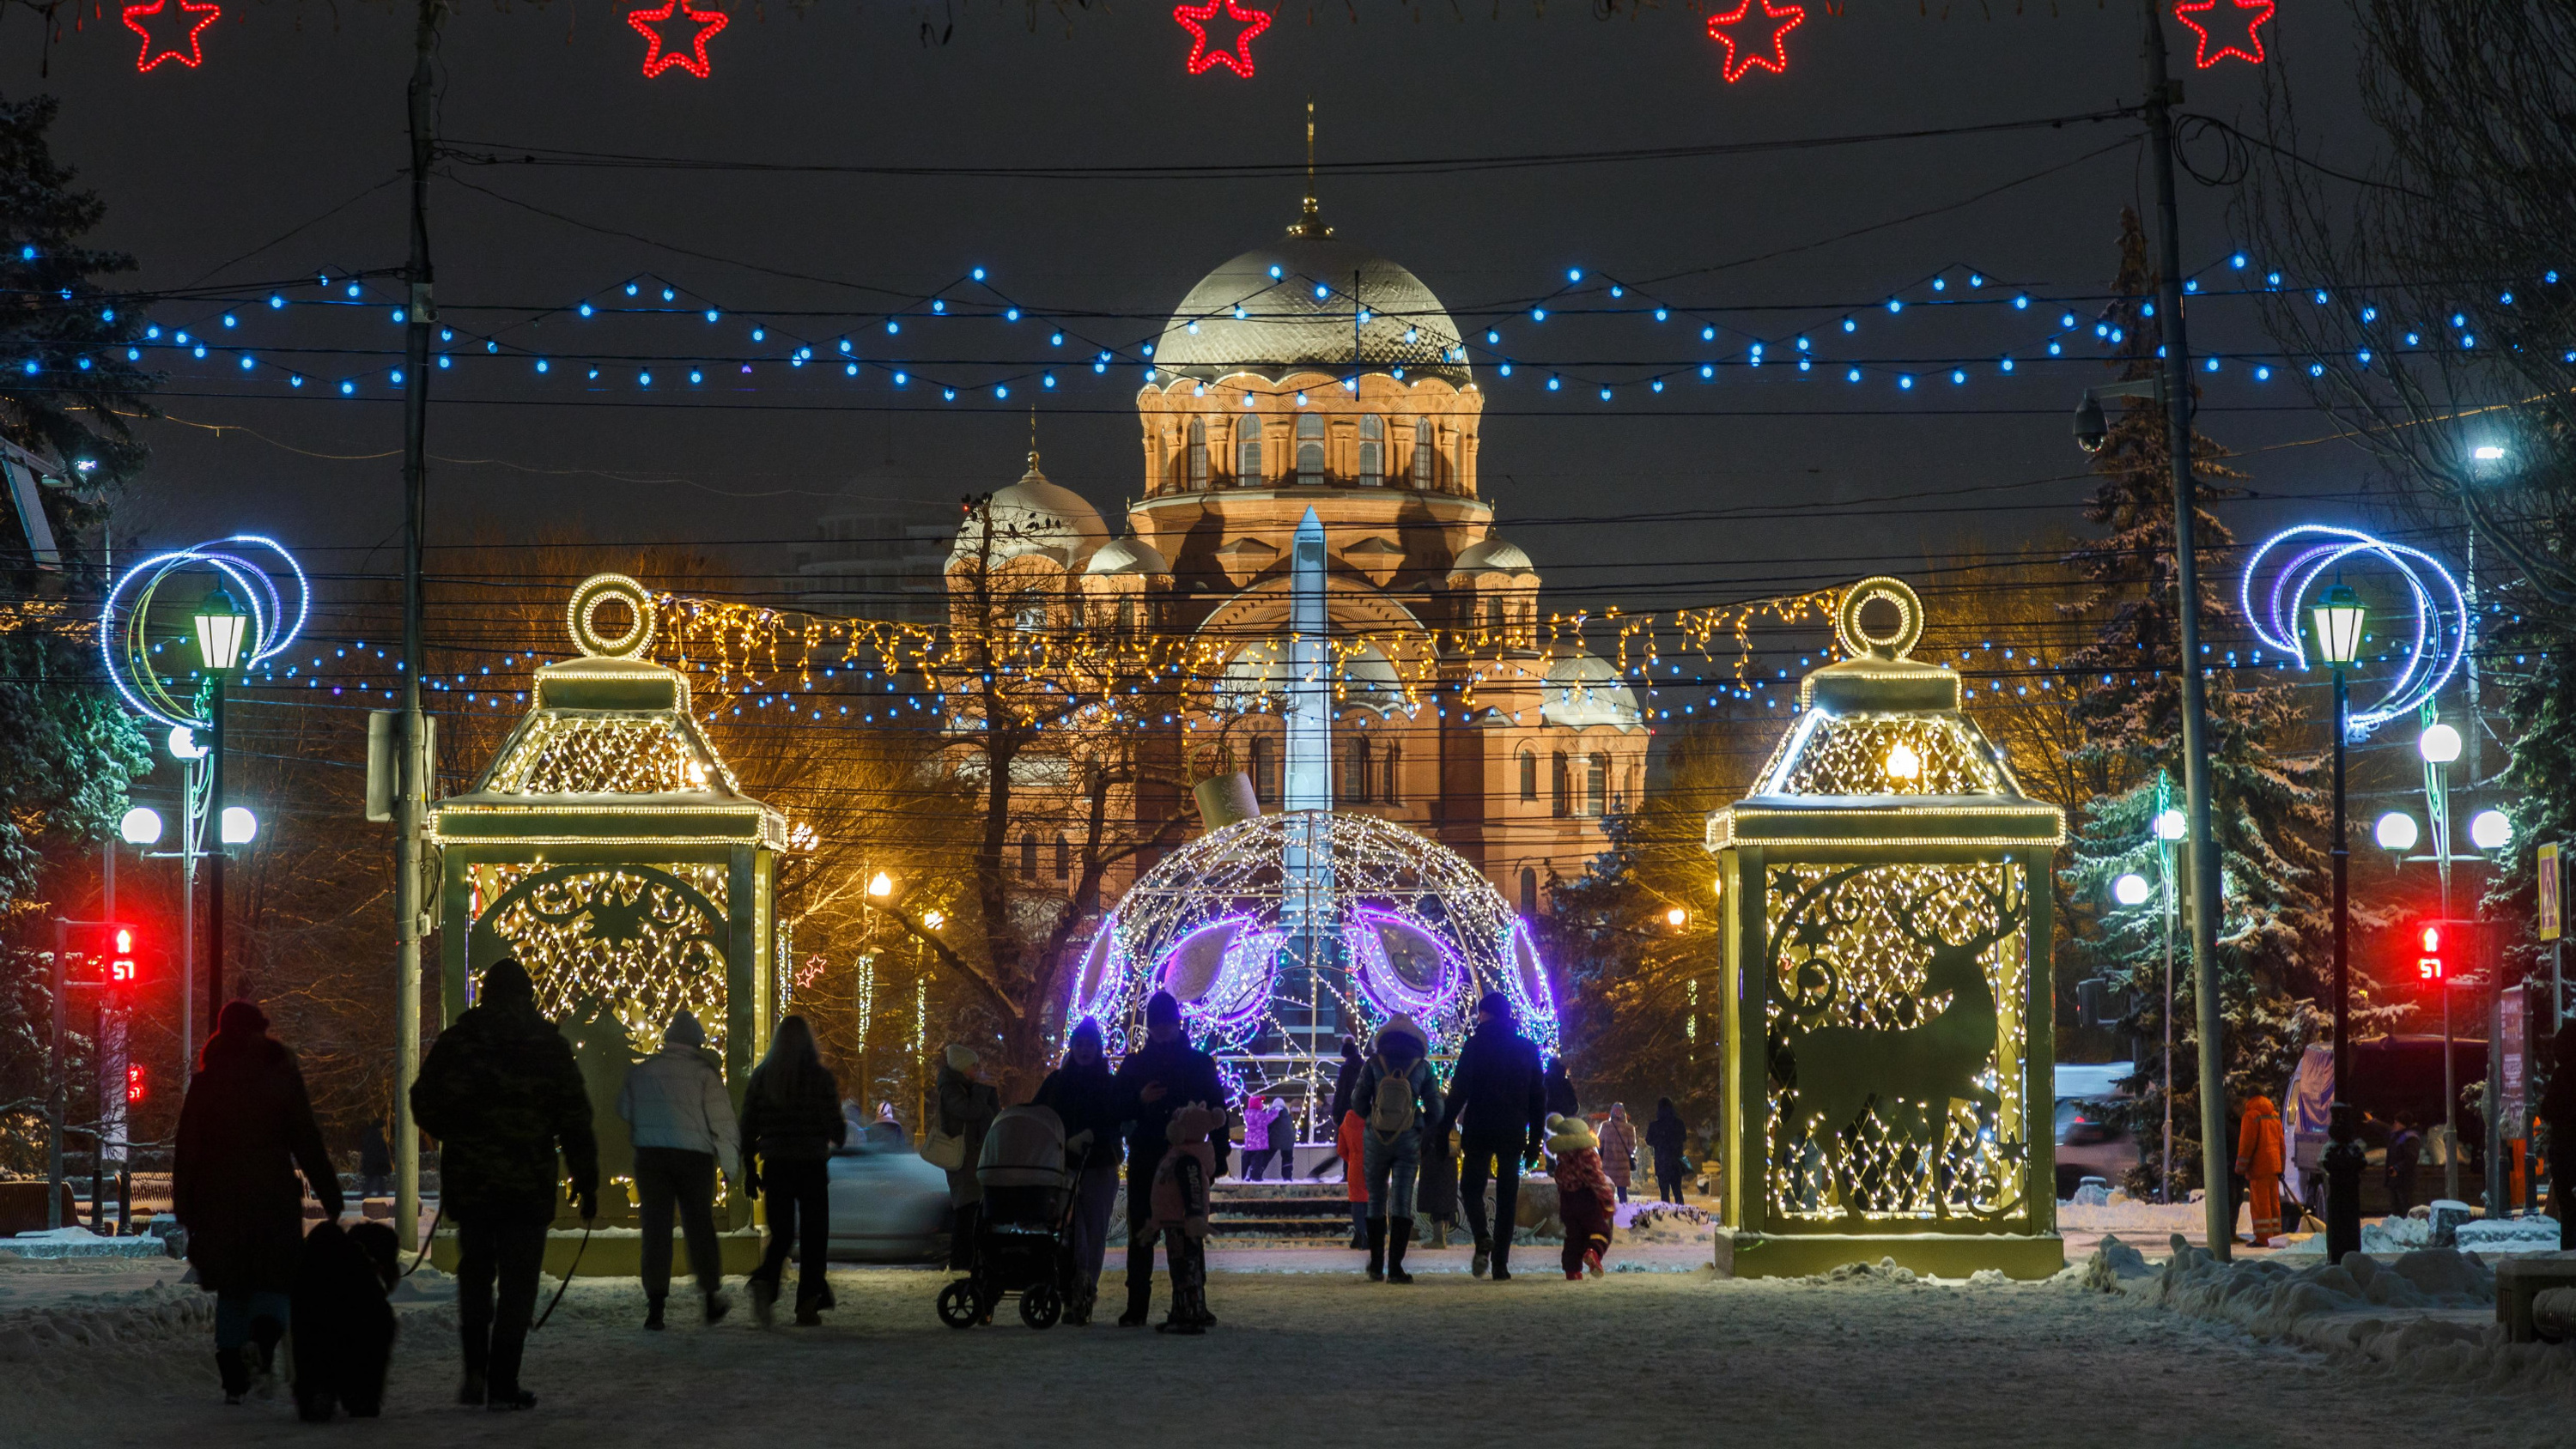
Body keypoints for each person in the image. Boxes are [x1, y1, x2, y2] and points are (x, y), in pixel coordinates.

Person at [409, 960, 596, 1411]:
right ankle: (503, 1381)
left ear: (486, 994)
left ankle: (474, 1370)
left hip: (472, 1179)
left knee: (475, 1273)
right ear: (527, 996)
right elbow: (574, 1118)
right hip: (526, 1182)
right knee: (518, 1283)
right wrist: (586, 1182)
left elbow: (422, 1099)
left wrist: (453, 1131)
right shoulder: (547, 1045)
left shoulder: (460, 1042)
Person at [174, 1000, 343, 1404]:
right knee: (275, 1280)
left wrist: (186, 1207)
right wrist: (329, 1193)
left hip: (218, 1202)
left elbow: (188, 1149)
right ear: (259, 1032)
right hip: (271, 1198)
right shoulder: (279, 1076)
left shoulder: (206, 1083)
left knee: (233, 1289)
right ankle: (263, 1346)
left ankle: (233, 1377)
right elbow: (306, 1138)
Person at [616, 1008, 738, 1330]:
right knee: (699, 1227)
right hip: (694, 1159)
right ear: (697, 1043)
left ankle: (655, 1308)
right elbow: (722, 1123)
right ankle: (711, 1298)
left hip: (651, 1157)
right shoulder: (705, 1074)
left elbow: (624, 1109)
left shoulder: (645, 1071)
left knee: (656, 1231)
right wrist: (730, 1165)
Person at [1111, 990, 1226, 1328]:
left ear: (1177, 1024)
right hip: (1148, 1155)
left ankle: (1193, 1300)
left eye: (1167, 1024)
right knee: (1143, 1228)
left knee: (1189, 1228)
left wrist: (1217, 1157)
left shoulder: (1198, 1063)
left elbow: (1217, 1109)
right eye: (1157, 1025)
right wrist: (1138, 1099)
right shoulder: (1136, 1065)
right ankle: (1138, 1304)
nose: (1163, 1031)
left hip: (1186, 1158)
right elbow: (1116, 1108)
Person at [738, 1015, 846, 1326]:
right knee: (815, 1237)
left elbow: (748, 1125)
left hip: (776, 1164)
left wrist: (750, 1167)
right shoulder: (820, 1078)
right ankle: (807, 1306)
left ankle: (765, 1282)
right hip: (811, 1163)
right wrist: (836, 1132)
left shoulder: (763, 1076)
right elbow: (835, 1127)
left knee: (782, 1234)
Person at [1437, 991, 1547, 1282]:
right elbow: (1538, 1100)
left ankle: (1482, 1236)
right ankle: (1501, 1264)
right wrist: (1535, 1141)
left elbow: (1459, 1090)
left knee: (1471, 1187)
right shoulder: (1527, 1048)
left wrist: (1443, 1126)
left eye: (1481, 1013)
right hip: (1512, 1130)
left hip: (1481, 1127)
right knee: (1507, 1197)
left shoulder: (1475, 1046)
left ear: (1488, 1014)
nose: (1478, 1017)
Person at [1033, 1016, 1123, 1325]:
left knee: (1094, 1232)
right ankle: (1068, 1291)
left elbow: (1115, 1122)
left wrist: (1097, 1139)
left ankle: (1086, 1290)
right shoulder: (1057, 1082)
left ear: (1098, 1048)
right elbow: (1039, 1115)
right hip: (1063, 1166)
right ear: (1072, 1047)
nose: (1085, 1050)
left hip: (1098, 1165)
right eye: (1080, 1044)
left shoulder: (1109, 1084)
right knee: (1068, 1232)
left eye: (1090, 1044)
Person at [1352, 1015, 1443, 1284]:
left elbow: (1357, 1103)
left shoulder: (1373, 1063)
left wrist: (1374, 1117)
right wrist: (1418, 1121)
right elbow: (1437, 1110)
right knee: (1402, 1200)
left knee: (1376, 1199)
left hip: (1375, 1138)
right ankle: (1395, 1268)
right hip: (1408, 1138)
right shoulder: (1422, 1067)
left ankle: (1376, 1266)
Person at [1148, 1102, 1221, 1334]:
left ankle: (1188, 1313)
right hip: (1178, 1221)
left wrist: (1192, 1216)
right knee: (1186, 1266)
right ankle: (1190, 1309)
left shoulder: (1186, 1159)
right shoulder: (1183, 1155)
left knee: (1183, 1267)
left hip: (1182, 1223)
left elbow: (1193, 1191)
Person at [934, 1043, 1001, 1273]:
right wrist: (983, 1092)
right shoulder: (951, 1090)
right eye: (973, 1066)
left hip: (972, 1158)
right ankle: (961, 1260)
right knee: (965, 1209)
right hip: (962, 1160)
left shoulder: (963, 1088)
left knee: (972, 1208)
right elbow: (969, 1112)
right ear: (963, 1067)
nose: (977, 1071)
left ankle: (968, 1259)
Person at [1546, 1113, 1616, 1279]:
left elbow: (1560, 1181)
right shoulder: (1587, 1155)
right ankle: (1594, 1252)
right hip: (1586, 1199)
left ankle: (1572, 1270)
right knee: (1601, 1231)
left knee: (1574, 1236)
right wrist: (1607, 1200)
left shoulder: (1562, 1158)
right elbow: (1597, 1179)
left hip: (1567, 1202)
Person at [2540, 1022, 2576, 1251]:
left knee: (2569, 1211)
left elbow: (2547, 1110)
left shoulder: (2562, 1075)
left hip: (2564, 1151)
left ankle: (2568, 1266)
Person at [2235, 1094, 2286, 1248]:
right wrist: (2280, 1166)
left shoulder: (2251, 1116)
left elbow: (2246, 1144)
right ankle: (2276, 1237)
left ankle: (2262, 1239)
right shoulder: (2274, 1116)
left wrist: (2240, 1167)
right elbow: (2281, 1145)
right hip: (2273, 1167)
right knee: (2273, 1205)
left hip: (2258, 1169)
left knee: (2260, 1207)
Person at [1312, 1037, 1364, 1179]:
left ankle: (1319, 1172)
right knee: (1351, 1148)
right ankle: (1347, 1175)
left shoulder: (1346, 1069)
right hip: (1360, 1114)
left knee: (1341, 1148)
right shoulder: (1363, 1068)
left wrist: (1336, 1113)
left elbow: (1341, 1092)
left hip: (1346, 1115)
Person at [1417, 1119, 1461, 1250]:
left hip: (1434, 1163)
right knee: (1445, 1202)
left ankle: (1438, 1239)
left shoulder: (1431, 1121)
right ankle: (1443, 1236)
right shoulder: (1451, 1120)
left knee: (1435, 1201)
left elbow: (1424, 1142)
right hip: (1450, 1163)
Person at [1644, 1099, 1689, 1204]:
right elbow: (1684, 1137)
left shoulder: (1655, 1125)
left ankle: (1666, 1215)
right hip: (1676, 1162)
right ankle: (1682, 1214)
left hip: (1662, 1162)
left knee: (1664, 1193)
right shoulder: (1679, 1123)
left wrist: (1660, 1141)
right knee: (1677, 1191)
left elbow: (1649, 1140)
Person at [1598, 1102, 1637, 1204]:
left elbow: (1599, 1144)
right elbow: (1632, 1148)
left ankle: (1608, 1214)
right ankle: (1623, 1213)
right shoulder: (1629, 1128)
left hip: (1608, 1164)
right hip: (1622, 1167)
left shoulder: (1605, 1126)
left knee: (1607, 1193)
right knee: (1622, 1193)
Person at [1240, 1094, 1286, 1181]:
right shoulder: (1260, 1116)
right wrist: (1276, 1111)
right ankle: (1255, 1177)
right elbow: (1269, 1118)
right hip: (1259, 1144)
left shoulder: (1248, 1114)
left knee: (1245, 1160)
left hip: (1249, 1143)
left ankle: (1241, 1175)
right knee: (1257, 1162)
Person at [2384, 1117, 2422, 1216]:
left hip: (2404, 1180)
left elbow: (2411, 1159)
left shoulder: (2411, 1138)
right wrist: (2373, 1122)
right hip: (2395, 1180)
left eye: (2397, 1122)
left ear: (2403, 1124)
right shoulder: (2398, 1135)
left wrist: (2397, 1168)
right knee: (2395, 1208)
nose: (2394, 1124)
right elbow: (2385, 1129)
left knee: (2406, 1208)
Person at [358, 1119, 392, 1203]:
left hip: (373, 1165)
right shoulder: (377, 1137)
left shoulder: (371, 1135)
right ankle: (378, 1201)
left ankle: (371, 1197)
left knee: (373, 1183)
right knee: (378, 1184)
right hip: (377, 1165)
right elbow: (381, 1152)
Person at [1545, 1057, 1579, 1121]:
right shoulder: (1564, 1081)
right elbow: (1572, 1099)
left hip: (1549, 1115)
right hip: (1565, 1114)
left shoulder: (1545, 1081)